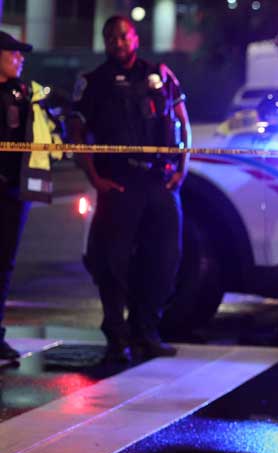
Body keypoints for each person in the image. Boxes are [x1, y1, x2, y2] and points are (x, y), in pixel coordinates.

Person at [69, 15, 191, 363]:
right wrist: (94, 177)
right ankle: (116, 336)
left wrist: (182, 168)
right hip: (118, 183)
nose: (118, 42)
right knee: (111, 264)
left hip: (160, 181)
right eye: (111, 37)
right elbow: (76, 133)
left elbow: (183, 121)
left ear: (135, 38)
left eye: (123, 36)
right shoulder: (93, 82)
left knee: (164, 260)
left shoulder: (160, 75)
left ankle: (146, 332)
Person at [0, 32, 38, 360]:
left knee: (4, 264)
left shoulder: (22, 93)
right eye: (13, 53)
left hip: (14, 191)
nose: (20, 58)